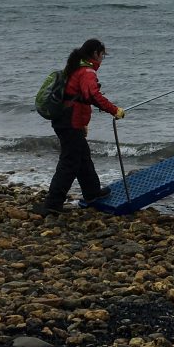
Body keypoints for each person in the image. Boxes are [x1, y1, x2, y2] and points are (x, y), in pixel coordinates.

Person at [40, 38, 123, 216]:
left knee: (83, 157)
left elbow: (77, 97)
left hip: (66, 120)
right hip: (70, 121)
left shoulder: (75, 66)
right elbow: (93, 95)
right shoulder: (86, 71)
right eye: (102, 55)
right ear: (95, 53)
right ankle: (52, 204)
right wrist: (115, 110)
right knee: (70, 162)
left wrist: (82, 124)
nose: (102, 59)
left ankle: (92, 193)